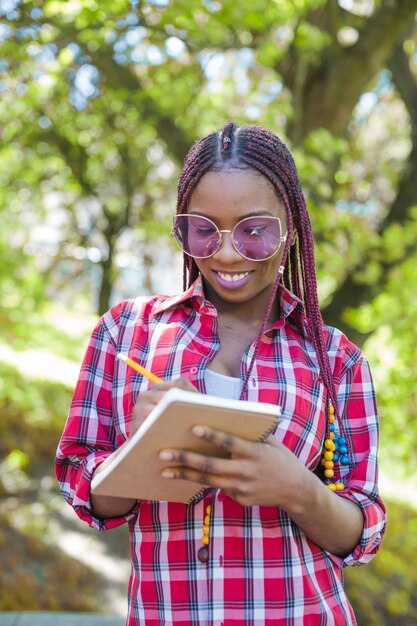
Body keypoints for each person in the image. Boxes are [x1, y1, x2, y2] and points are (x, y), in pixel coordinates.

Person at [55, 122, 386, 625]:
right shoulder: (127, 333)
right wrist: (139, 451)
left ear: (290, 227)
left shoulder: (336, 360)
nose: (228, 253)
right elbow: (84, 493)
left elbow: (363, 532)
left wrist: (300, 489)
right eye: (204, 230)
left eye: (255, 230)